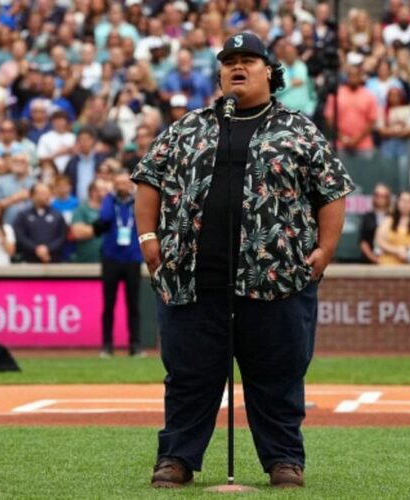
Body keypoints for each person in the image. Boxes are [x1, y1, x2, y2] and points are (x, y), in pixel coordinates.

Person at [131, 33, 353, 489]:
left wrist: (326, 249)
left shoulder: (298, 128)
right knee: (190, 375)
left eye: (248, 60)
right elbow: (149, 177)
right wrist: (149, 237)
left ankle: (284, 460)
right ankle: (176, 457)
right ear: (219, 73)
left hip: (276, 277)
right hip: (193, 276)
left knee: (278, 373)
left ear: (269, 71)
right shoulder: (188, 126)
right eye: (229, 61)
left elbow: (331, 190)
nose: (238, 67)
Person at [86, 170, 143, 357]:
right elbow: (105, 218)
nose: (121, 186)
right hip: (111, 258)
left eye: (124, 183)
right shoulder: (109, 202)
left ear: (130, 184)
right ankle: (107, 345)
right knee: (108, 305)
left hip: (132, 258)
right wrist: (109, 196)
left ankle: (134, 345)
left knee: (133, 304)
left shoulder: (138, 201)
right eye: (117, 183)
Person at [13, 183, 67, 263]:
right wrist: (35, 249)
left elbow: (62, 236)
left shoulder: (57, 215)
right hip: (29, 260)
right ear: (32, 196)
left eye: (48, 193)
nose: (47, 196)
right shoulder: (23, 215)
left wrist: (48, 249)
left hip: (53, 260)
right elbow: (20, 235)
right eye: (43, 193)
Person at [375, 191, 410, 265]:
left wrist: (407, 248)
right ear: (397, 202)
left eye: (409, 201)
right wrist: (396, 250)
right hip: (389, 264)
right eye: (403, 201)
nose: (405, 204)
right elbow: (380, 241)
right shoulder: (388, 220)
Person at [358, 183, 391, 264]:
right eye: (377, 195)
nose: (380, 198)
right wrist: (372, 257)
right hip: (370, 260)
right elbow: (363, 241)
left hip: (391, 258)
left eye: (383, 196)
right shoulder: (367, 217)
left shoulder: (393, 217)